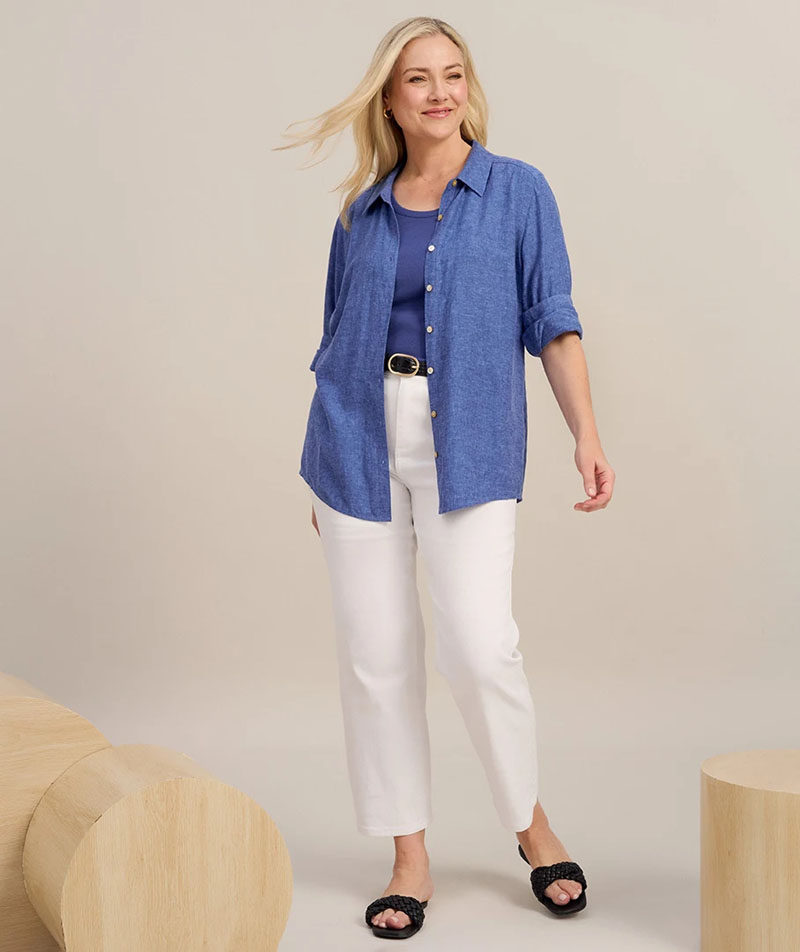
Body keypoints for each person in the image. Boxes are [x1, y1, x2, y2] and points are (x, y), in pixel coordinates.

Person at [278, 16, 615, 940]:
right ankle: (408, 859)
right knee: (376, 657)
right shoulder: (361, 212)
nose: (439, 92)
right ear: (390, 99)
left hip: (469, 435)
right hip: (355, 440)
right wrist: (327, 466)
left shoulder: (518, 191)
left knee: (479, 645)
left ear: (469, 87)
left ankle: (532, 828)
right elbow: (336, 337)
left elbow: (552, 317)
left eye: (452, 74)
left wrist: (585, 433)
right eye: (418, 79)